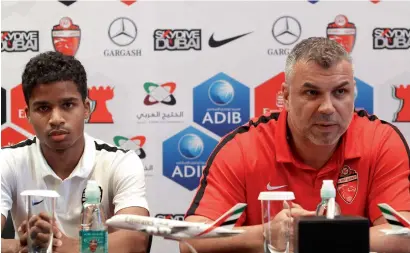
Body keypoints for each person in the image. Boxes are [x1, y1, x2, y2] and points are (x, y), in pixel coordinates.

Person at [180, 37, 410, 253]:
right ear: (286, 97)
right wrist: (268, 234)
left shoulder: (380, 141)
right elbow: (191, 242)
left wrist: (324, 236)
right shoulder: (242, 148)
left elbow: (404, 236)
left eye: (340, 92)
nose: (327, 107)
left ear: (354, 93)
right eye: (312, 93)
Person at [1, 51, 150, 253]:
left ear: (86, 108)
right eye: (43, 108)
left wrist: (59, 246)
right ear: (27, 114)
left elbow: (136, 240)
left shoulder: (120, 162)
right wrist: (24, 246)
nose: (56, 119)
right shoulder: (7, 161)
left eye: (68, 105)